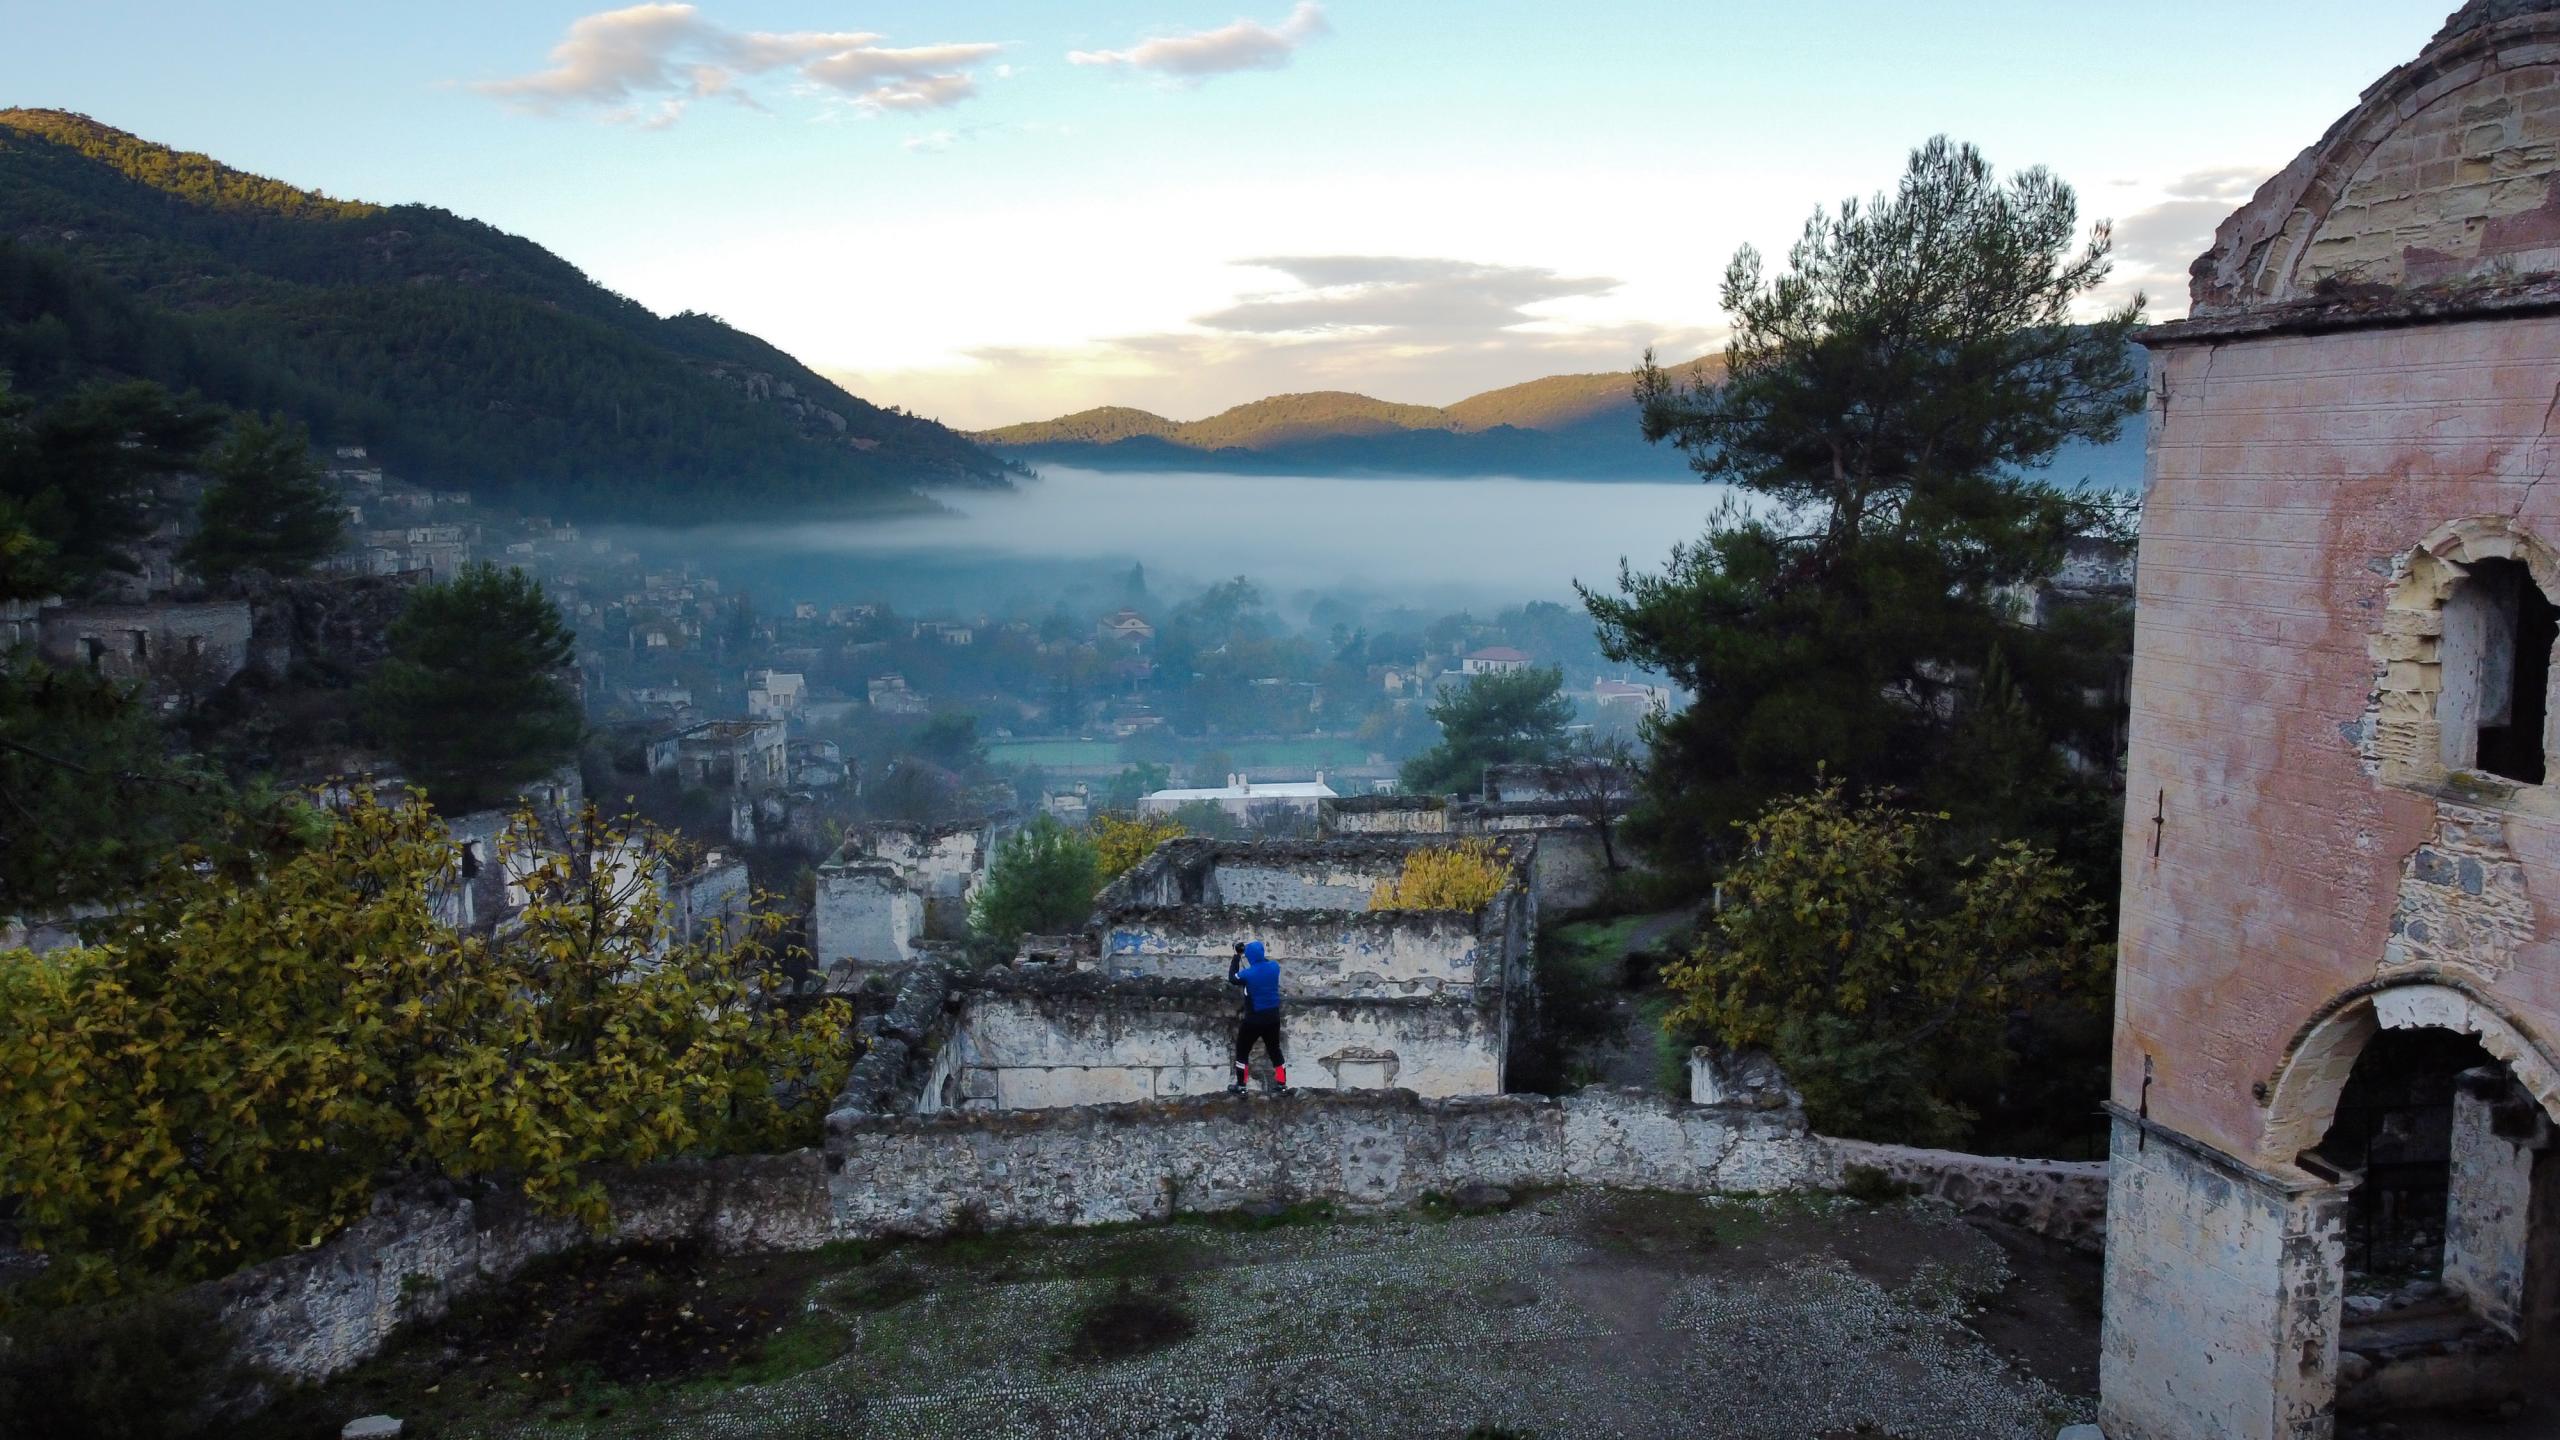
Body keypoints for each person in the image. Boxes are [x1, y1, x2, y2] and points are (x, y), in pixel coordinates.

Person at [1227, 939, 1288, 1095]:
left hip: (1254, 1019)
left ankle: (1241, 1086)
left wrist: (1237, 955)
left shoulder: (1248, 974)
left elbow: (1233, 978)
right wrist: (1253, 955)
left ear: (1250, 957)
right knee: (1275, 1050)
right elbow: (1263, 963)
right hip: (1273, 1017)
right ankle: (1282, 1084)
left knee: (1242, 1051)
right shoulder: (1274, 967)